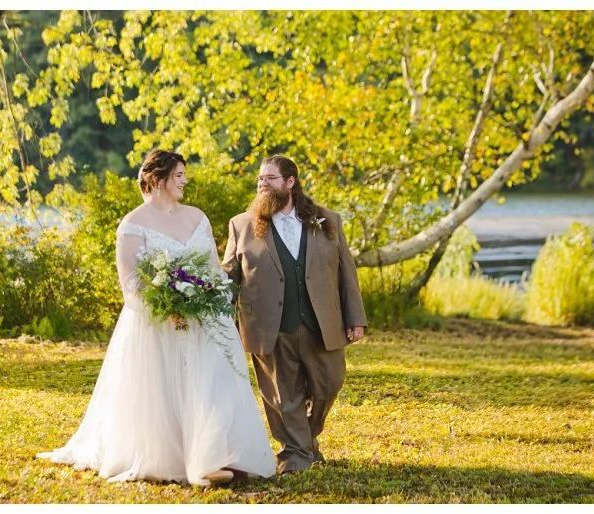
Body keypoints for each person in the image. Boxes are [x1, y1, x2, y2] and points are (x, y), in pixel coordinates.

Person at [38, 150, 275, 485]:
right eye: (178, 175)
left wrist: (210, 295)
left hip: (202, 319)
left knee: (212, 386)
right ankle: (178, 458)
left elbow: (211, 269)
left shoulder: (197, 217)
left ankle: (219, 455)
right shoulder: (133, 224)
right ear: (157, 179)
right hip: (157, 323)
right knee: (168, 391)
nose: (184, 181)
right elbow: (131, 284)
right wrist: (168, 305)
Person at [222, 155, 367, 475]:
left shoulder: (327, 220)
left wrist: (355, 318)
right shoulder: (241, 224)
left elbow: (346, 273)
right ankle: (297, 454)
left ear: (290, 182)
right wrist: (214, 313)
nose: (262, 184)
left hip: (321, 323)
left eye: (270, 179)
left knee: (329, 385)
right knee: (282, 395)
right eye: (260, 179)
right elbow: (229, 275)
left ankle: (303, 443)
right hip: (267, 325)